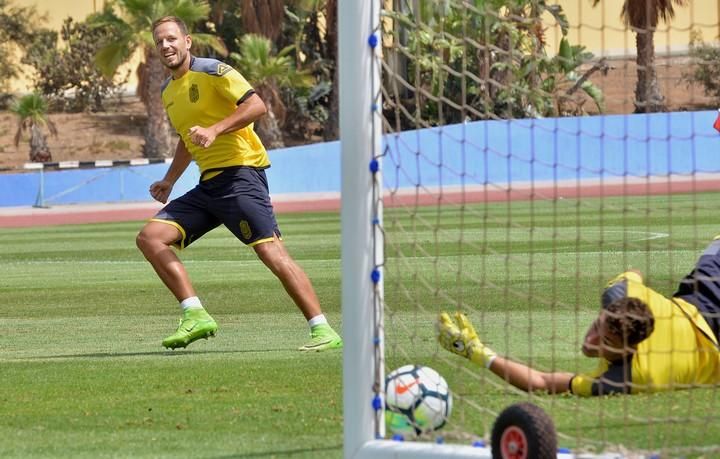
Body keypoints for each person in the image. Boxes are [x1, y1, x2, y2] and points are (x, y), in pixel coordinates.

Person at [136, 16, 342, 352]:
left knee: (271, 253)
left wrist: (215, 129)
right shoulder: (167, 91)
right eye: (159, 41)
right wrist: (170, 180)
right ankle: (195, 315)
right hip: (210, 186)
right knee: (150, 238)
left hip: (242, 176)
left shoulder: (214, 70)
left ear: (187, 41)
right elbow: (187, 139)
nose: (165, 46)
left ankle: (323, 330)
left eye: (172, 39)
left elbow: (256, 105)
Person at [437, 237, 720, 396]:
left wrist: (478, 354)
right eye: (598, 324)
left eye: (605, 339)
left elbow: (543, 383)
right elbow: (635, 273)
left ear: (629, 348)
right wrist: (475, 352)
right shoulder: (617, 296)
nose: (591, 339)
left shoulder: (628, 378)